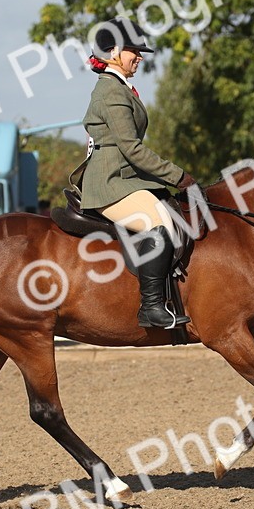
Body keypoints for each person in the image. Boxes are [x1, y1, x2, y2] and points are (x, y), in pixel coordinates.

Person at [68, 17, 196, 329]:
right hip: (110, 183)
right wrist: (178, 176)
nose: (139, 56)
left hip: (125, 178)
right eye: (133, 51)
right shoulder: (111, 91)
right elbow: (131, 148)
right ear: (112, 52)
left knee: (170, 211)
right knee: (159, 222)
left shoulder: (121, 87)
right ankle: (151, 307)